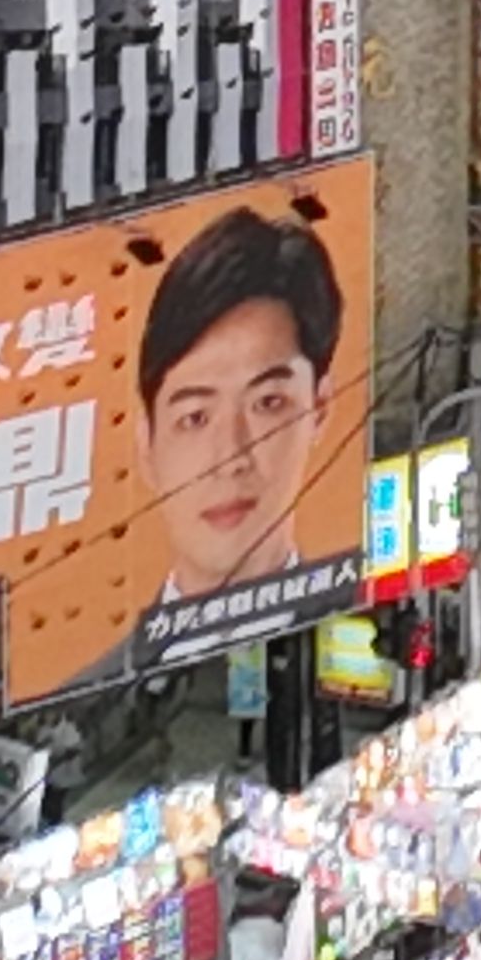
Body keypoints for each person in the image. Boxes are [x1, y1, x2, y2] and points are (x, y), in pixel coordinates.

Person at [104, 200, 355, 674]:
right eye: (195, 417)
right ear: (146, 445)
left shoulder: (349, 606)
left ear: (320, 408)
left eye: (268, 404)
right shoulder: (104, 679)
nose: (231, 457)